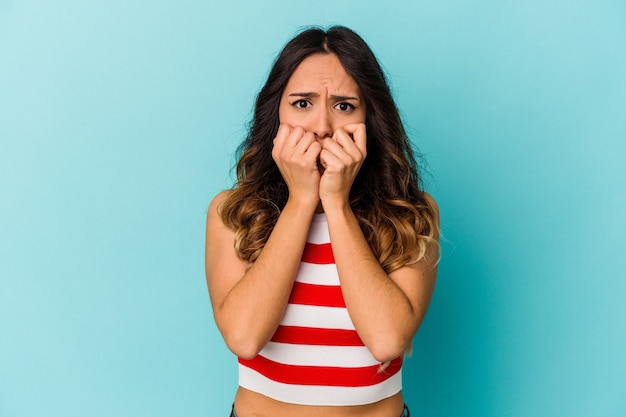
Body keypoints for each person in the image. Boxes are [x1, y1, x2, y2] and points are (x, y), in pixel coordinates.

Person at [205, 25, 440, 417]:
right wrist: (301, 200)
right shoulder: (233, 211)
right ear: (275, 113)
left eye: (344, 105)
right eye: (302, 103)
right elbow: (244, 337)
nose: (322, 126)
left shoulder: (410, 214)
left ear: (370, 117)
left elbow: (386, 340)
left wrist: (336, 203)